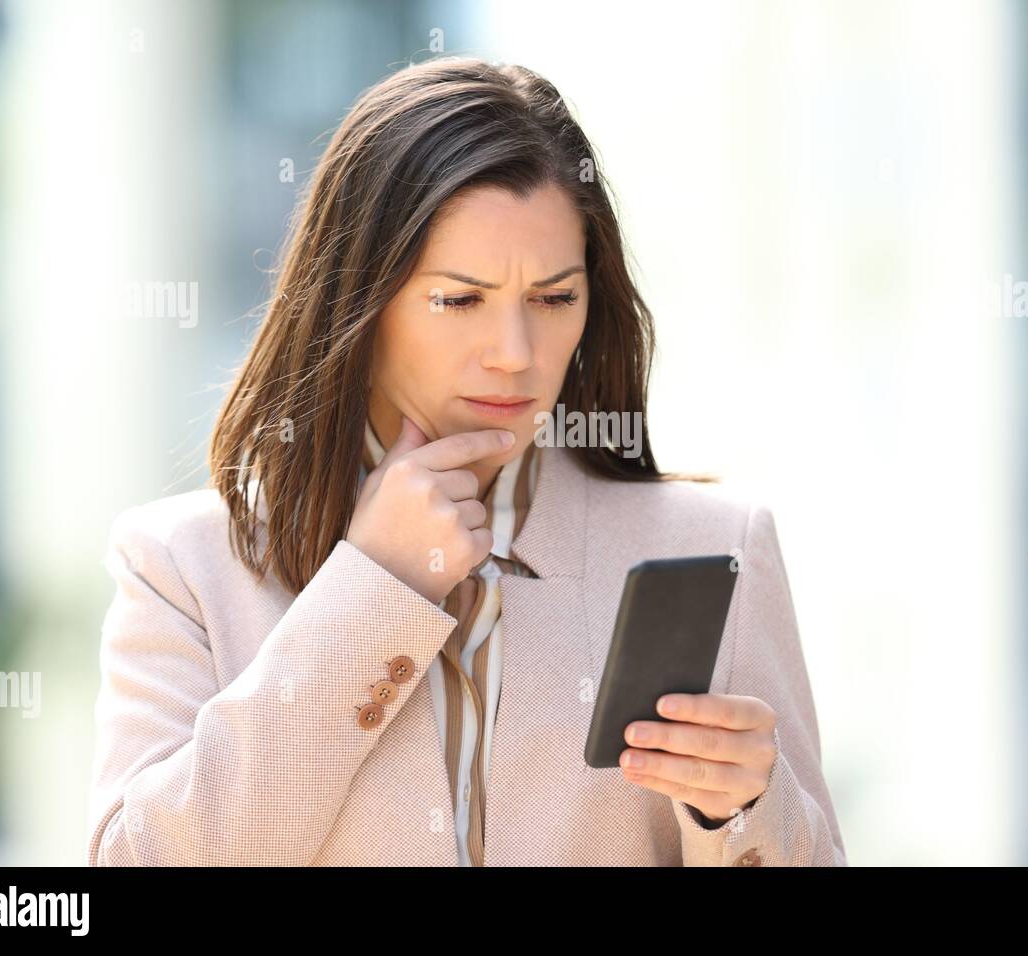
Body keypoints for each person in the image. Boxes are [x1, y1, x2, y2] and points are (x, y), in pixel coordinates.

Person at [85, 56, 846, 867]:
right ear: (358, 300)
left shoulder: (712, 546)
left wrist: (744, 811)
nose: (516, 355)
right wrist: (373, 588)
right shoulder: (186, 566)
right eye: (459, 299)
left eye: (554, 299)